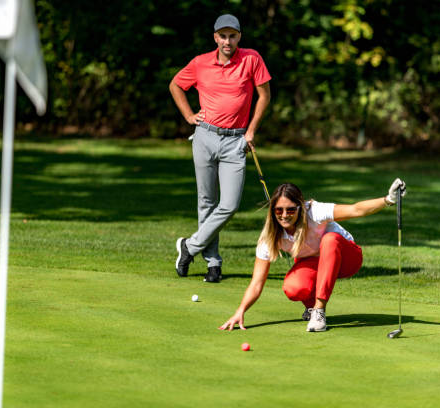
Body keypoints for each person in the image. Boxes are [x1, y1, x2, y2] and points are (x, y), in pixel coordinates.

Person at [219, 179, 407, 332]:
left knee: (330, 239)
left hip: (347, 258)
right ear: (273, 211)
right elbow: (257, 282)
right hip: (316, 263)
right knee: (294, 287)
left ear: (300, 207)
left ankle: (319, 310)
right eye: (279, 210)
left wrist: (388, 199)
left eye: (291, 209)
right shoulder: (269, 237)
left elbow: (355, 209)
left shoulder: (314, 211)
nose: (285, 215)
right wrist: (240, 311)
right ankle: (311, 307)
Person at [170, 14, 271, 283]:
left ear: (239, 37)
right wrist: (189, 116)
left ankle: (189, 247)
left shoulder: (252, 59)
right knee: (206, 202)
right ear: (215, 37)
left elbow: (265, 95)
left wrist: (251, 130)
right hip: (205, 137)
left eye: (233, 35)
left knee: (229, 204)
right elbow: (176, 85)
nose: (228, 41)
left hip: (235, 140)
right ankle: (213, 263)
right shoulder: (201, 62)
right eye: (223, 36)